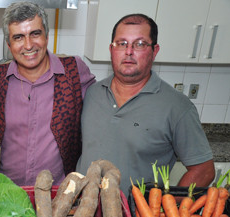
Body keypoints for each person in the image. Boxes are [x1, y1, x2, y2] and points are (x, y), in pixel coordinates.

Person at [76, 13, 215, 195]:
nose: (128, 51)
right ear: (111, 49)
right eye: (122, 43)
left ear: (154, 51)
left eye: (139, 44)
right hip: (81, 212)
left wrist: (168, 207)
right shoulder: (92, 93)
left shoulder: (177, 107)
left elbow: (204, 170)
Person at [0, 1, 96, 186]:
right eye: (19, 37)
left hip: (60, 196)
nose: (28, 45)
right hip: (6, 194)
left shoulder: (73, 71)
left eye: (35, 34)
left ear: (46, 36)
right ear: (9, 44)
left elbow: (102, 106)